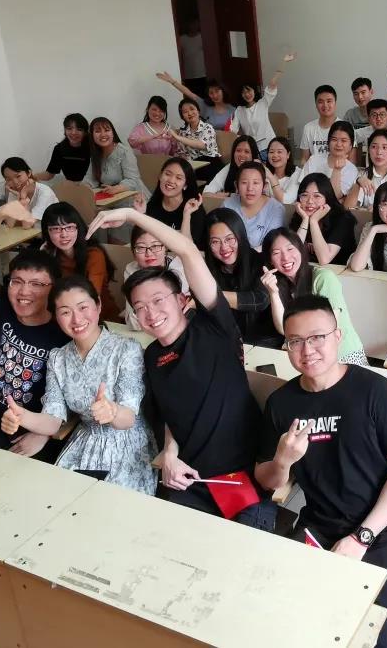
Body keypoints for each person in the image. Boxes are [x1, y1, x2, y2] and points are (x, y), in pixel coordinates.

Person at [90, 207, 275, 528]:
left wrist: (132, 216)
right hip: (190, 480)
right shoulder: (152, 357)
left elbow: (187, 250)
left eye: (158, 300)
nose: (150, 313)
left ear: (181, 300)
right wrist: (170, 454)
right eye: (140, 307)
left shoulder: (214, 326)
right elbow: (170, 414)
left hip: (240, 480)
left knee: (242, 549)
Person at [255, 295, 387, 648]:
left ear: (337, 336)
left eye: (317, 337)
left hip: (383, 527)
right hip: (319, 524)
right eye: (295, 341)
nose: (307, 350)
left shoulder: (377, 392)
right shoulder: (281, 403)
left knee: (383, 639)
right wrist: (282, 460)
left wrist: (361, 538)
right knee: (282, 620)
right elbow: (265, 479)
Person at [0, 274, 156, 493]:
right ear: (56, 316)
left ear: (98, 305)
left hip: (127, 447)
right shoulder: (58, 358)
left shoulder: (127, 349)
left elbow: (128, 418)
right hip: (85, 442)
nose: (76, 319)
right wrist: (22, 417)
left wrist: (112, 412)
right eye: (65, 312)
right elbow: (53, 420)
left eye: (83, 308)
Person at [0, 202, 70, 460]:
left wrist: (44, 433)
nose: (25, 292)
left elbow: (77, 397)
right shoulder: (3, 309)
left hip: (29, 440)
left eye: (37, 284)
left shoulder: (64, 333)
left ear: (53, 289)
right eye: (17, 282)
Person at [260, 228, 367, 366]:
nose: (285, 258)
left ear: (301, 249)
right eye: (276, 253)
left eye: (290, 249)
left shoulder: (323, 278)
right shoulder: (280, 284)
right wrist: (273, 293)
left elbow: (329, 329)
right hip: (311, 356)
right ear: (270, 261)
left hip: (343, 355)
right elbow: (284, 329)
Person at [203, 207, 279, 347]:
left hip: (262, 343)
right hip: (225, 342)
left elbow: (260, 300)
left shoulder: (260, 261)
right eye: (215, 242)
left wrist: (208, 297)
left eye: (229, 239)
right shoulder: (206, 268)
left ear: (240, 236)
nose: (224, 247)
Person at [41, 202, 121, 323]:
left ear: (78, 228)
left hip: (101, 318)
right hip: (64, 317)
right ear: (47, 232)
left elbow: (91, 297)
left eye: (69, 227)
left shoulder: (94, 254)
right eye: (56, 229)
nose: (64, 234)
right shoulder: (49, 254)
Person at [122, 220, 189, 330]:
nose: (149, 253)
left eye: (155, 246)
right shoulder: (131, 270)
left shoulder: (179, 268)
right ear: (133, 251)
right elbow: (133, 323)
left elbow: (180, 315)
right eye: (141, 247)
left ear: (165, 247)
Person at [230, 52, 295, 154]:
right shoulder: (239, 110)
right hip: (252, 149)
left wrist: (284, 62)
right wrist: (238, 138)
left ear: (254, 91)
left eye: (249, 91)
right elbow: (232, 130)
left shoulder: (263, 103)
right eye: (244, 92)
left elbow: (272, 84)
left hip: (269, 147)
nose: (247, 94)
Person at [290, 173, 357, 266]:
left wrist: (313, 221)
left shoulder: (343, 219)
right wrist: (305, 220)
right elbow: (291, 254)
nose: (310, 201)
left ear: (327, 198)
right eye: (304, 195)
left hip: (338, 271)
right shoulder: (300, 216)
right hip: (307, 269)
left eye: (317, 196)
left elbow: (324, 259)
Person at [141, 156, 207, 248]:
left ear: (185, 185)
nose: (171, 180)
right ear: (160, 176)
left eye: (179, 178)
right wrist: (141, 214)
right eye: (167, 174)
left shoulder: (193, 209)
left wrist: (186, 215)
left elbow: (188, 247)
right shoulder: (152, 206)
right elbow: (143, 240)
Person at [83, 116, 150, 201]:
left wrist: (116, 188)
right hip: (111, 199)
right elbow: (90, 179)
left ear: (113, 133)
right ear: (92, 135)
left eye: (107, 130)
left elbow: (133, 180)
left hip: (134, 198)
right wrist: (85, 188)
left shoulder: (124, 152)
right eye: (97, 131)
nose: (103, 134)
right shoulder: (95, 155)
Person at [223, 162, 286, 249]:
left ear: (264, 186)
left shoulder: (276, 209)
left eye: (255, 183)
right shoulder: (227, 205)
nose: (250, 188)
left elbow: (272, 245)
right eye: (244, 182)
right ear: (236, 185)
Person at [157, 71, 236, 131]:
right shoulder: (205, 106)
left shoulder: (233, 110)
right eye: (211, 93)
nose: (215, 95)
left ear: (223, 90)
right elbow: (189, 93)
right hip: (208, 143)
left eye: (217, 91)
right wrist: (172, 81)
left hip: (227, 143)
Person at [302, 121, 359, 199]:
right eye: (334, 139)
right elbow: (302, 187)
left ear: (350, 146)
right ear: (328, 142)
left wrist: (337, 170)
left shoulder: (351, 170)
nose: (338, 144)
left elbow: (336, 196)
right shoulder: (313, 160)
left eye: (344, 140)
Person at [34, 113, 91, 183]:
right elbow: (49, 174)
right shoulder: (59, 149)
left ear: (85, 132)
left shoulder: (92, 148)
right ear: (65, 130)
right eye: (69, 129)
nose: (73, 133)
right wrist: (31, 176)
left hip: (92, 186)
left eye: (79, 129)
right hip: (70, 186)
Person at [172, 97, 223, 174]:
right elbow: (181, 153)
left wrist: (177, 137)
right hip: (194, 166)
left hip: (210, 162)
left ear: (198, 111)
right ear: (183, 117)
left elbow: (202, 145)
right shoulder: (182, 132)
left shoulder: (207, 127)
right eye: (185, 112)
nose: (189, 113)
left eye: (192, 109)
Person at [1, 156, 58, 221]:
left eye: (18, 176)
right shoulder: (14, 192)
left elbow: (29, 222)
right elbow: (10, 221)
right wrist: (19, 196)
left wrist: (23, 194)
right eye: (9, 179)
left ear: (29, 173)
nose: (15, 182)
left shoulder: (45, 192)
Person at [299, 85, 339, 162]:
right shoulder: (308, 128)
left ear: (335, 103)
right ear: (316, 105)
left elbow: (351, 160)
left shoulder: (345, 127)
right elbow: (304, 159)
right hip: (314, 169)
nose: (325, 105)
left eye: (329, 101)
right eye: (320, 102)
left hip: (338, 168)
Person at [265, 136, 302, 204]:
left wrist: (271, 178)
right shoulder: (264, 173)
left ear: (288, 155)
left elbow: (286, 201)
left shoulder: (297, 173)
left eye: (279, 152)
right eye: (271, 152)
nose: (275, 155)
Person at [178, 18, 206, 97]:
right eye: (192, 24)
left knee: (203, 96)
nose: (194, 26)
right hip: (188, 75)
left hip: (202, 73)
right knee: (191, 97)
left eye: (196, 24)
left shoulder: (202, 37)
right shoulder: (182, 39)